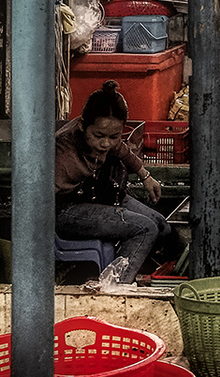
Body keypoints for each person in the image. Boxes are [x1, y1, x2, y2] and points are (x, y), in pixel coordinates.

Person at [55, 81, 170, 281]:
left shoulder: (109, 142)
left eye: (114, 136)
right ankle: (115, 287)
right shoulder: (63, 152)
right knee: (145, 229)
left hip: (97, 195)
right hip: (67, 210)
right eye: (98, 136)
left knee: (161, 225)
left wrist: (146, 176)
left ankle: (136, 273)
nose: (105, 143)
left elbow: (122, 150)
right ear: (83, 125)